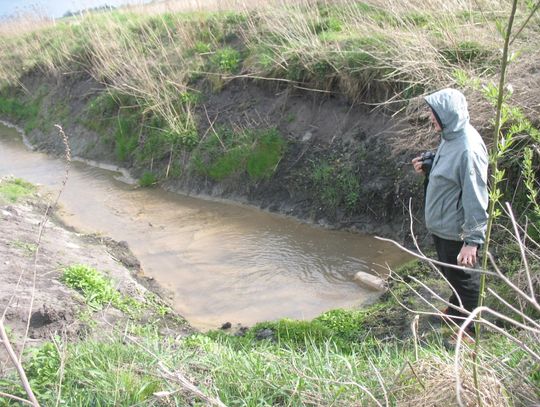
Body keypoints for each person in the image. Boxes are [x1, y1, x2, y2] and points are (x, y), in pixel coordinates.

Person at [412, 88, 488, 334]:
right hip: (443, 226)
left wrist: (472, 241)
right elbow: (450, 169)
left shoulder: (469, 149)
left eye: (433, 113)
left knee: (465, 281)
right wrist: (431, 163)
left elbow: (476, 196)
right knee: (451, 273)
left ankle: (469, 331)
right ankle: (456, 312)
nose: (429, 117)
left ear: (446, 114)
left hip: (457, 232)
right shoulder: (450, 135)